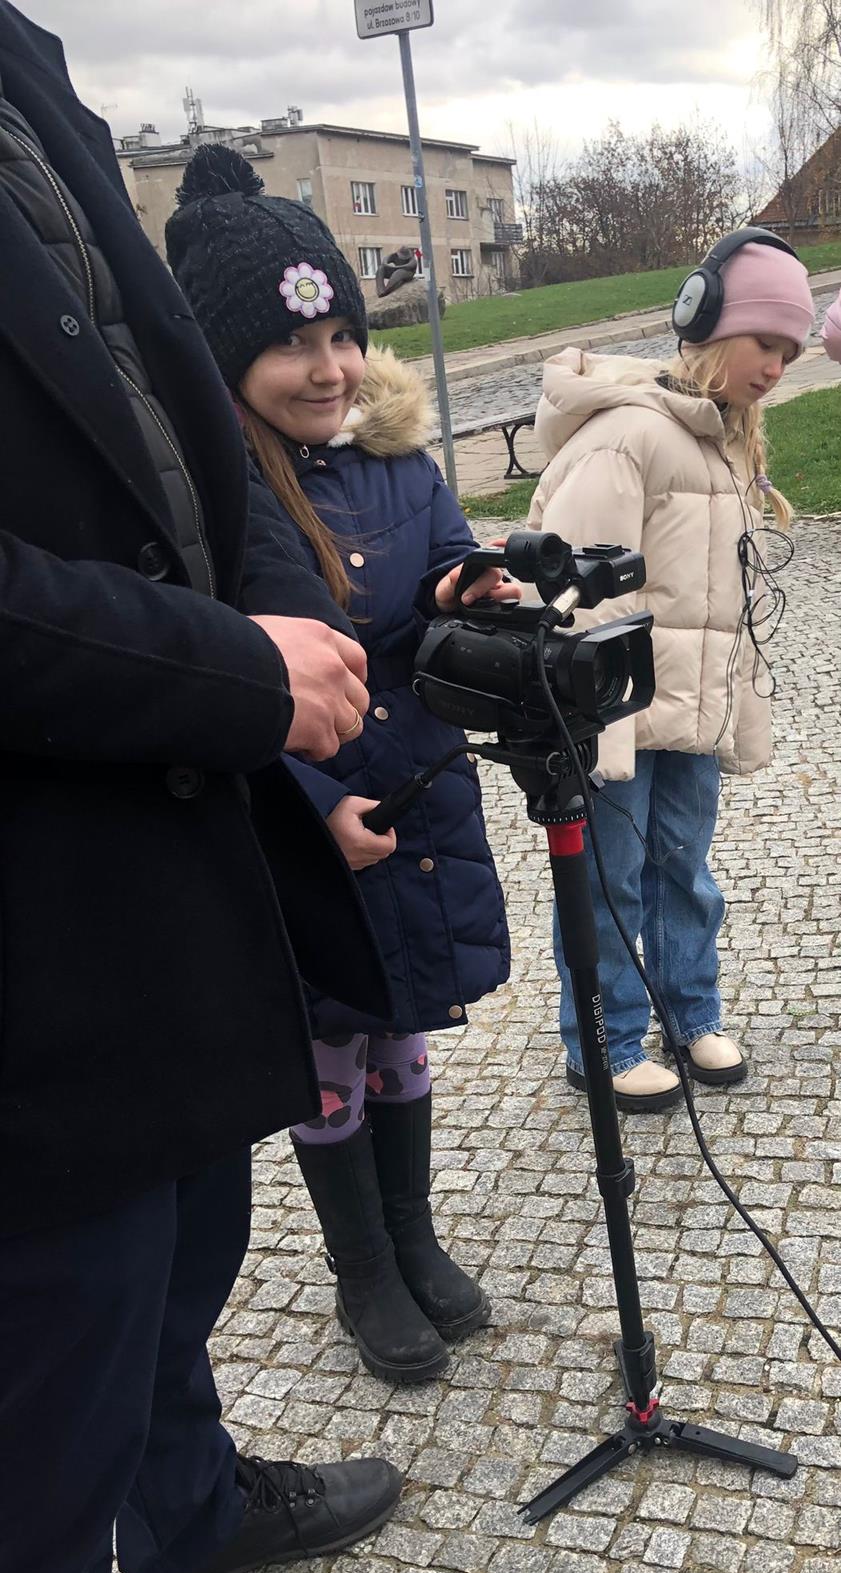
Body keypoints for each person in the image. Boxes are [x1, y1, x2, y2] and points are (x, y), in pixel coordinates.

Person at [0, 8, 404, 1573]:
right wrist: (233, 670)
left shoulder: (30, 66)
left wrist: (304, 623)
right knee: (44, 1401)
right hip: (34, 901)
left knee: (182, 1235)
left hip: (166, 860)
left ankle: (180, 1507)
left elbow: (173, 419)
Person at [165, 147, 514, 1384]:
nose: (328, 370)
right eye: (290, 348)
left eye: (342, 338)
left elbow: (438, 577)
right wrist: (311, 807)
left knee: (402, 1024)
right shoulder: (214, 499)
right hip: (310, 816)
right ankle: (361, 1264)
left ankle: (413, 1235)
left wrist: (466, 588)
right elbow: (218, 671)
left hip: (413, 790)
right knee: (330, 1045)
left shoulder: (400, 464)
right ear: (224, 361)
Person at [527, 231, 814, 1111]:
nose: (775, 368)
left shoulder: (727, 444)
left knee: (683, 872)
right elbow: (573, 592)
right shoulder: (628, 438)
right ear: (708, 323)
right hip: (617, 712)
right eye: (764, 343)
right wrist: (595, 723)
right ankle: (604, 1042)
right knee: (607, 881)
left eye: (789, 352)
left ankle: (691, 1014)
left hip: (689, 710)